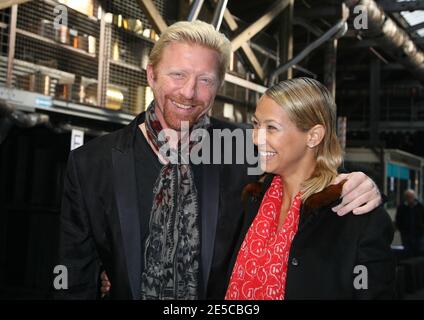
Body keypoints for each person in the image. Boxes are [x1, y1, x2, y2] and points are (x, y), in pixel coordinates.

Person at [56, 20, 382, 300]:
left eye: (205, 80)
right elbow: (74, 274)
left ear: (218, 86)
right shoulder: (91, 163)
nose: (188, 92)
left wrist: (357, 181)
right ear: (151, 74)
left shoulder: (244, 150)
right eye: (177, 74)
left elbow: (304, 163)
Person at [225, 78, 395, 300]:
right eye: (256, 125)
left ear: (313, 136)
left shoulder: (356, 215)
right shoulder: (253, 199)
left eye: (271, 128)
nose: (256, 138)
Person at [395, 189, 424, 257]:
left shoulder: (420, 206)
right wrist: (401, 228)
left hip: (418, 232)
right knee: (407, 250)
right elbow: (398, 219)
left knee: (419, 249)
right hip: (406, 233)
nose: (410, 198)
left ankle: (418, 265)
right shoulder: (402, 207)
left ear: (414, 197)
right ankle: (409, 265)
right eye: (408, 197)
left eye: (411, 196)